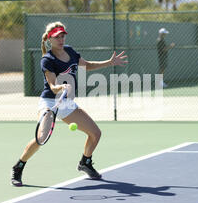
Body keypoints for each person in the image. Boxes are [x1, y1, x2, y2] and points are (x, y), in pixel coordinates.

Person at [11, 22, 128, 186]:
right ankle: (18, 167)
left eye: (62, 35)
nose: (61, 39)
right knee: (41, 138)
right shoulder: (47, 59)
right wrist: (61, 86)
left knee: (95, 133)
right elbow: (52, 86)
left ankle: (85, 163)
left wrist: (109, 62)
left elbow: (86, 65)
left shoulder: (71, 51)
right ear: (49, 39)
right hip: (50, 101)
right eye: (57, 36)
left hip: (66, 103)